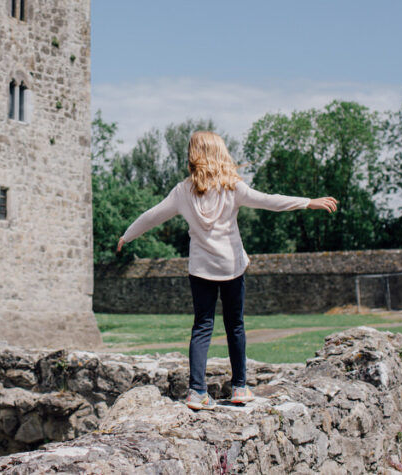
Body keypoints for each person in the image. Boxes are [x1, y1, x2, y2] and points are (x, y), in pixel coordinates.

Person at [116, 131, 338, 410]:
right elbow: (270, 201)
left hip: (201, 270)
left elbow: (152, 216)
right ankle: (240, 388)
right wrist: (308, 202)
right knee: (235, 326)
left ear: (193, 157)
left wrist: (127, 236)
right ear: (220, 154)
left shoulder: (182, 192)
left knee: (202, 327)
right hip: (232, 268)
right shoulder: (233, 188)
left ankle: (197, 391)